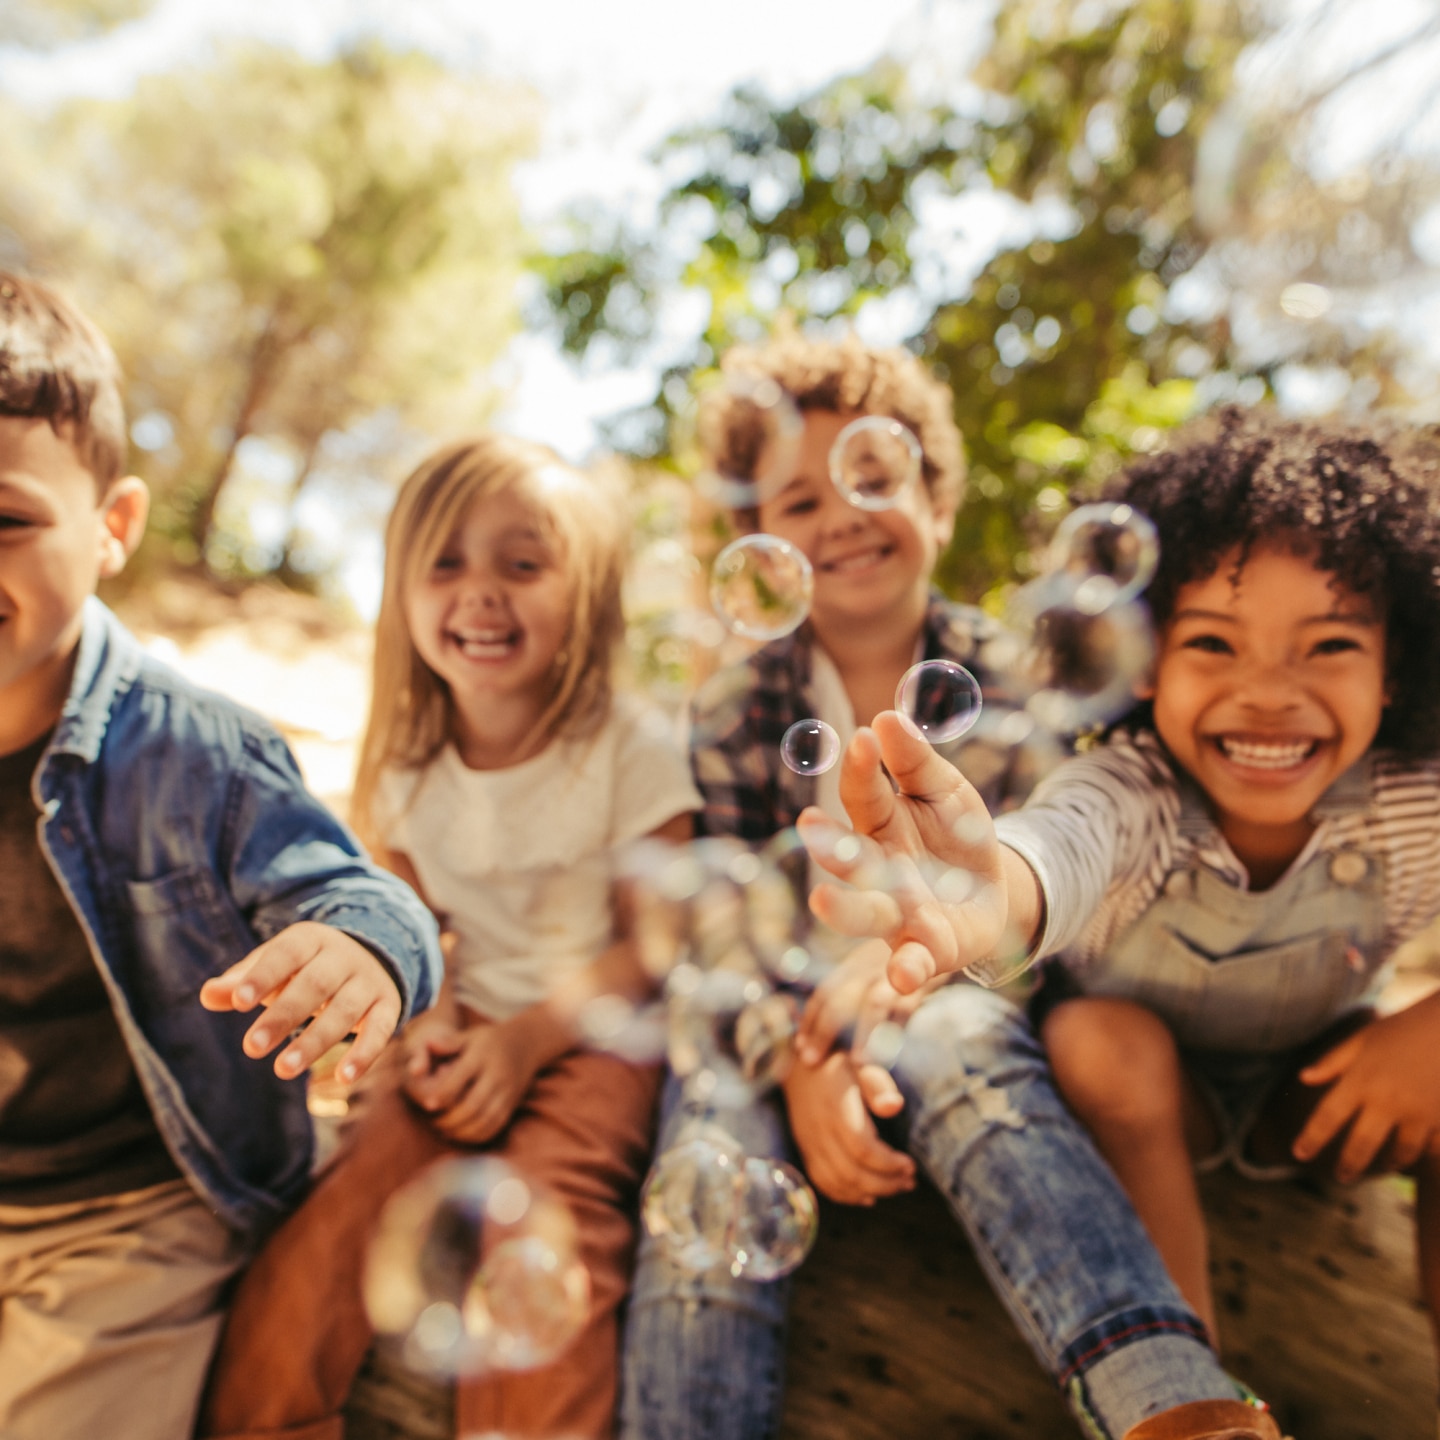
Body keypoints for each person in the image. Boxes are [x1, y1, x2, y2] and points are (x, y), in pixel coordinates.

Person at [621, 331, 1248, 1440]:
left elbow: (1034, 906)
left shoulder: (1013, 683)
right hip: (773, 1020)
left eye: (873, 477)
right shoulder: (733, 712)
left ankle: (1177, 1410)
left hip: (953, 1003)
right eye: (799, 501)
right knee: (712, 1125)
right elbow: (717, 923)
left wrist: (900, 987)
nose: (842, 517)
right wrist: (799, 1059)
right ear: (761, 548)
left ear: (940, 504)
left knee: (969, 1055)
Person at [800, 407, 1440, 1439]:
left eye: (1328, 645)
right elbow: (1059, 846)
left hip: (1317, 1087)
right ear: (1143, 660)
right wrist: (987, 887)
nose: (1267, 694)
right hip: (1157, 1097)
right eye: (1213, 643)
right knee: (1103, 1036)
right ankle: (1194, 1398)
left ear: (1396, 665)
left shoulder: (1413, 800)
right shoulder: (1133, 789)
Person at [0, 270, 442, 1440]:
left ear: (114, 527)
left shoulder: (198, 751)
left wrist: (361, 955)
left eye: (6, 520)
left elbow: (366, 898)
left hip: (133, 1210)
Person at [199, 432, 702, 1440]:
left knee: (558, 1218)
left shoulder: (631, 744)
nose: (480, 592)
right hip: (459, 1024)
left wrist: (525, 1043)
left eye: (523, 564)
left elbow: (656, 943)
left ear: (588, 593)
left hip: (597, 1033)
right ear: (401, 592)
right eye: (444, 563)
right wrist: (432, 1024)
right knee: (349, 1202)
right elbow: (412, 925)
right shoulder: (405, 766)